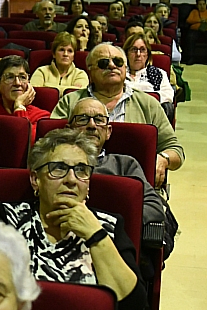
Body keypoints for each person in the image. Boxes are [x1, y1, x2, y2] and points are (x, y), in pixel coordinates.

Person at [0, 129, 145, 310]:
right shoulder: (8, 219)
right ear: (35, 180)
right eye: (58, 168)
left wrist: (95, 234)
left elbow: (132, 305)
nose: (71, 180)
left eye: (81, 170)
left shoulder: (109, 226)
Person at [52, 44, 185, 186]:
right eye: (103, 63)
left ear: (125, 68)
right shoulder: (70, 101)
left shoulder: (148, 104)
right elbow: (50, 143)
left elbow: (175, 149)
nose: (112, 66)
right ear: (90, 69)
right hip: (76, 181)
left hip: (134, 184)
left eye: (118, 62)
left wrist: (163, 159)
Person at [67, 98, 166, 229]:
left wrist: (109, 222)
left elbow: (153, 207)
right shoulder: (53, 164)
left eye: (99, 120)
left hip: (114, 235)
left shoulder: (125, 165)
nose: (91, 125)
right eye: (83, 119)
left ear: (108, 132)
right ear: (69, 129)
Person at [0, 56, 50, 144]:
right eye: (9, 77)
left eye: (22, 77)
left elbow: (23, 144)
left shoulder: (41, 117)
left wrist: (19, 107)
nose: (17, 83)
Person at [124, 33, 174, 118]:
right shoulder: (119, 72)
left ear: (147, 54)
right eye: (134, 49)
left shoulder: (159, 73)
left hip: (149, 114)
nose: (138, 54)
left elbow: (168, 95)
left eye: (142, 50)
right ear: (126, 54)